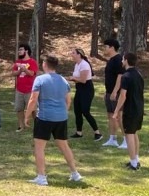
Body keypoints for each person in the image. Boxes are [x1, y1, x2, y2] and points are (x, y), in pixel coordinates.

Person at [24, 55, 83, 186]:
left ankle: (41, 177)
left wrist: (26, 116)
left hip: (45, 117)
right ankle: (75, 173)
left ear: (45, 64)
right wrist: (63, 112)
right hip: (61, 118)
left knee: (39, 147)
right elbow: (68, 100)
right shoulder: (63, 80)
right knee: (64, 146)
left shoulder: (40, 79)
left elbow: (33, 100)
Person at [113, 52, 145, 170]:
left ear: (126, 60)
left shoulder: (126, 76)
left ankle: (133, 163)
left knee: (129, 135)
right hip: (139, 108)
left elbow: (123, 95)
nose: (121, 61)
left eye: (122, 59)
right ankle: (135, 159)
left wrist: (116, 111)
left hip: (130, 110)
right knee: (134, 133)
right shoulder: (139, 74)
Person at [67, 48, 102, 141]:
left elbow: (83, 80)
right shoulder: (77, 64)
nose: (72, 54)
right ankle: (79, 132)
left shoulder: (84, 64)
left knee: (85, 111)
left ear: (79, 55)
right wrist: (73, 78)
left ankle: (97, 133)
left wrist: (72, 78)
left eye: (73, 53)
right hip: (79, 89)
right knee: (77, 111)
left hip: (87, 89)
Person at [102, 39, 126, 148]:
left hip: (116, 93)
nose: (104, 49)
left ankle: (126, 140)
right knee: (110, 115)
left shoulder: (118, 59)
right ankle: (112, 139)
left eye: (105, 46)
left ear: (112, 47)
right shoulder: (110, 60)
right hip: (109, 92)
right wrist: (107, 92)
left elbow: (120, 76)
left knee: (119, 116)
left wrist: (115, 91)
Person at [12, 43, 38, 132]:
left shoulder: (32, 62)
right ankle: (21, 126)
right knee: (19, 108)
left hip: (30, 90)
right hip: (19, 90)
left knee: (33, 109)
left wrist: (25, 69)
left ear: (26, 51)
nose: (19, 52)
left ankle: (38, 126)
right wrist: (20, 70)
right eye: (18, 50)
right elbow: (14, 73)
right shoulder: (17, 62)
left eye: (21, 50)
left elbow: (32, 73)